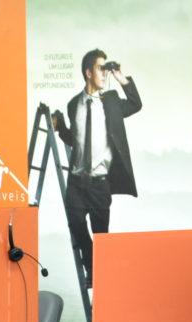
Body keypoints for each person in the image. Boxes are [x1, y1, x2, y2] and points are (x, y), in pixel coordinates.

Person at [54, 48, 141, 286]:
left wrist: (121, 77)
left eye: (106, 69)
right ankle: (92, 268)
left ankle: (100, 278)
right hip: (76, 183)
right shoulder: (74, 104)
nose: (104, 74)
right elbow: (76, 139)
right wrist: (60, 128)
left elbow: (136, 104)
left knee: (101, 236)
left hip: (100, 185)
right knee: (76, 225)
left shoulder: (111, 102)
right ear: (88, 73)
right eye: (101, 68)